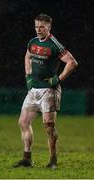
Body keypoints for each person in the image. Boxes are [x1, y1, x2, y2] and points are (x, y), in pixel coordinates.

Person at [13, 13, 78, 169]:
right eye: (36, 26)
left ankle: (53, 160)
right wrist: (28, 75)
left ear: (49, 27)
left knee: (48, 125)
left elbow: (72, 62)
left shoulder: (54, 44)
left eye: (41, 26)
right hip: (33, 90)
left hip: (49, 91)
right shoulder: (33, 42)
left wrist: (58, 79)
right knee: (23, 122)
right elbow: (28, 56)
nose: (38, 29)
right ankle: (27, 159)